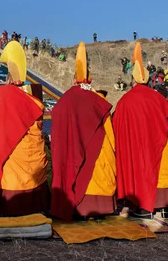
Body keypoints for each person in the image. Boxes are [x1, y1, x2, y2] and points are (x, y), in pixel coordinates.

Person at [0, 41, 49, 217]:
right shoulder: (34, 101)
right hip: (31, 159)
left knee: (11, 175)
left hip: (10, 160)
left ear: (7, 78)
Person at [113, 43, 168, 218]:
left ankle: (143, 206)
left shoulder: (124, 101)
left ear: (134, 80)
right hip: (157, 143)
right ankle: (166, 206)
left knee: (140, 172)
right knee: (163, 170)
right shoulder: (157, 96)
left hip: (136, 146)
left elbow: (116, 125)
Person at [51, 42, 116, 221]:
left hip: (71, 152)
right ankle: (100, 209)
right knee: (97, 167)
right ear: (90, 79)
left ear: (74, 79)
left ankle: (76, 206)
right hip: (98, 152)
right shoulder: (98, 101)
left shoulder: (64, 101)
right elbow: (109, 134)